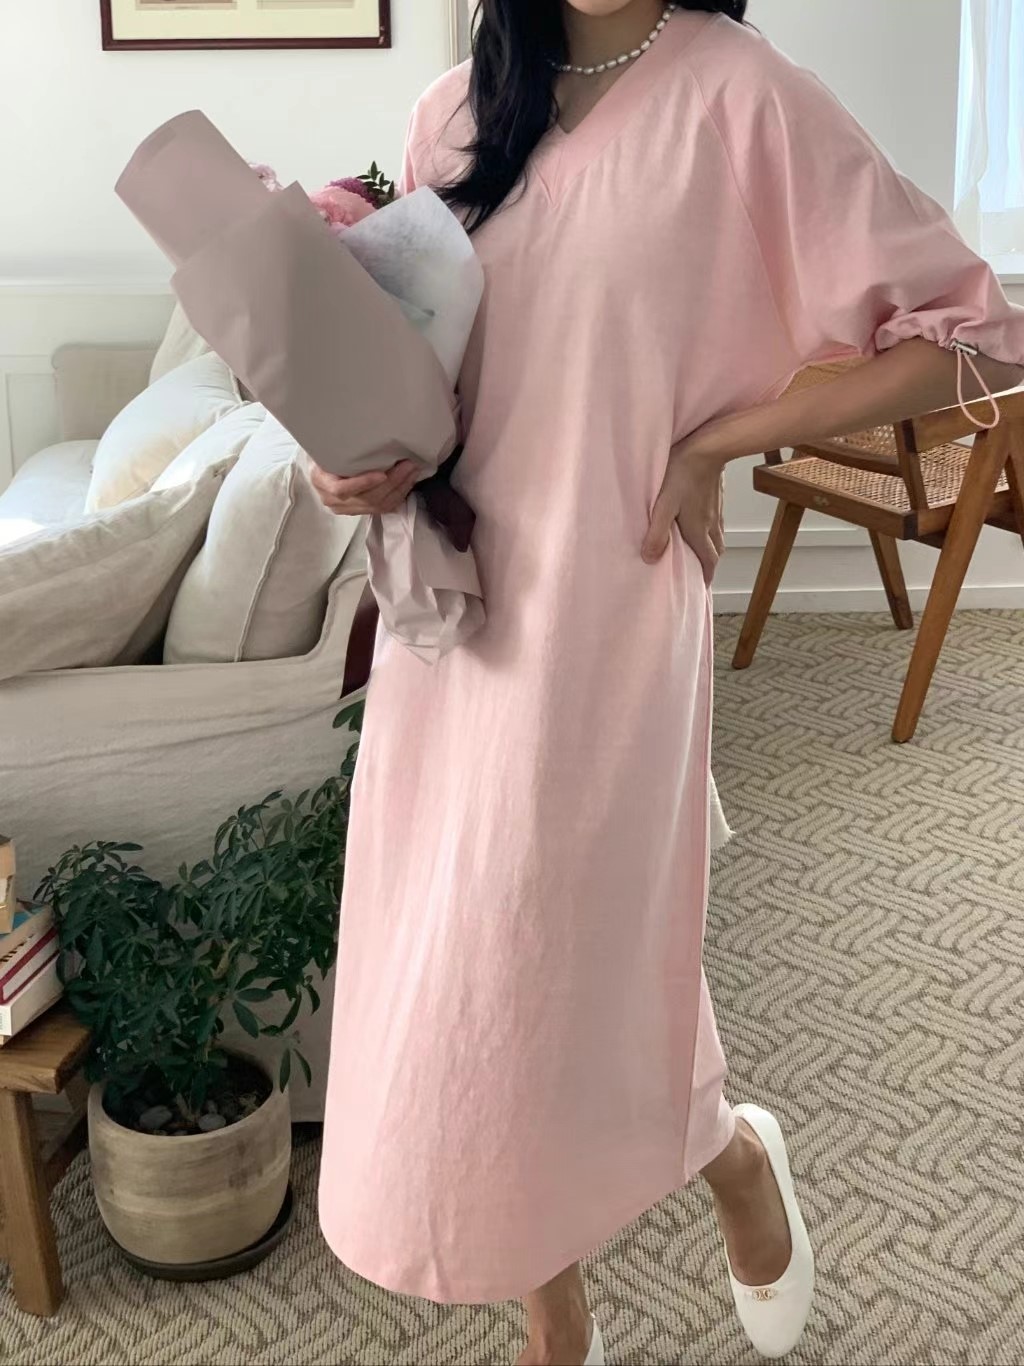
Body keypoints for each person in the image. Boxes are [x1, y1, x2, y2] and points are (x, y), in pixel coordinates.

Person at [312, 4, 1024, 1363]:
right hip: (451, 610)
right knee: (479, 966)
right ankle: (556, 1310)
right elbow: (427, 389)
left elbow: (974, 337)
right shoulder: (452, 113)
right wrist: (344, 460)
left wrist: (720, 441)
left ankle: (731, 1154)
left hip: (610, 605)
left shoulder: (739, 96)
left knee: (565, 944)